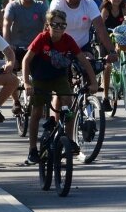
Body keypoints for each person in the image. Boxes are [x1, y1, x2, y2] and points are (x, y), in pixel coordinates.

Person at [22, 10, 98, 164]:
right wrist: (26, 82)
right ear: (48, 25)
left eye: (62, 25)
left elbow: (83, 61)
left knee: (67, 103)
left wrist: (93, 81)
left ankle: (69, 140)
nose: (58, 28)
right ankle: (32, 150)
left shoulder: (67, 39)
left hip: (59, 77)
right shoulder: (42, 38)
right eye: (55, 24)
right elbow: (26, 60)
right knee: (36, 112)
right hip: (41, 78)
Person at [2, 0, 48, 114]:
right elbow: (6, 25)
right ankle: (16, 101)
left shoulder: (40, 6)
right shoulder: (13, 6)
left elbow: (47, 24)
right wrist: (8, 47)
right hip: (16, 46)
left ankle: (42, 99)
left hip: (35, 47)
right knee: (10, 72)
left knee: (43, 71)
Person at [99, 0, 126, 109]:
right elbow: (100, 24)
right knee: (107, 66)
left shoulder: (123, 9)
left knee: (123, 58)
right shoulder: (105, 10)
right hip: (106, 38)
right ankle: (105, 96)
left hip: (118, 37)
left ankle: (123, 74)